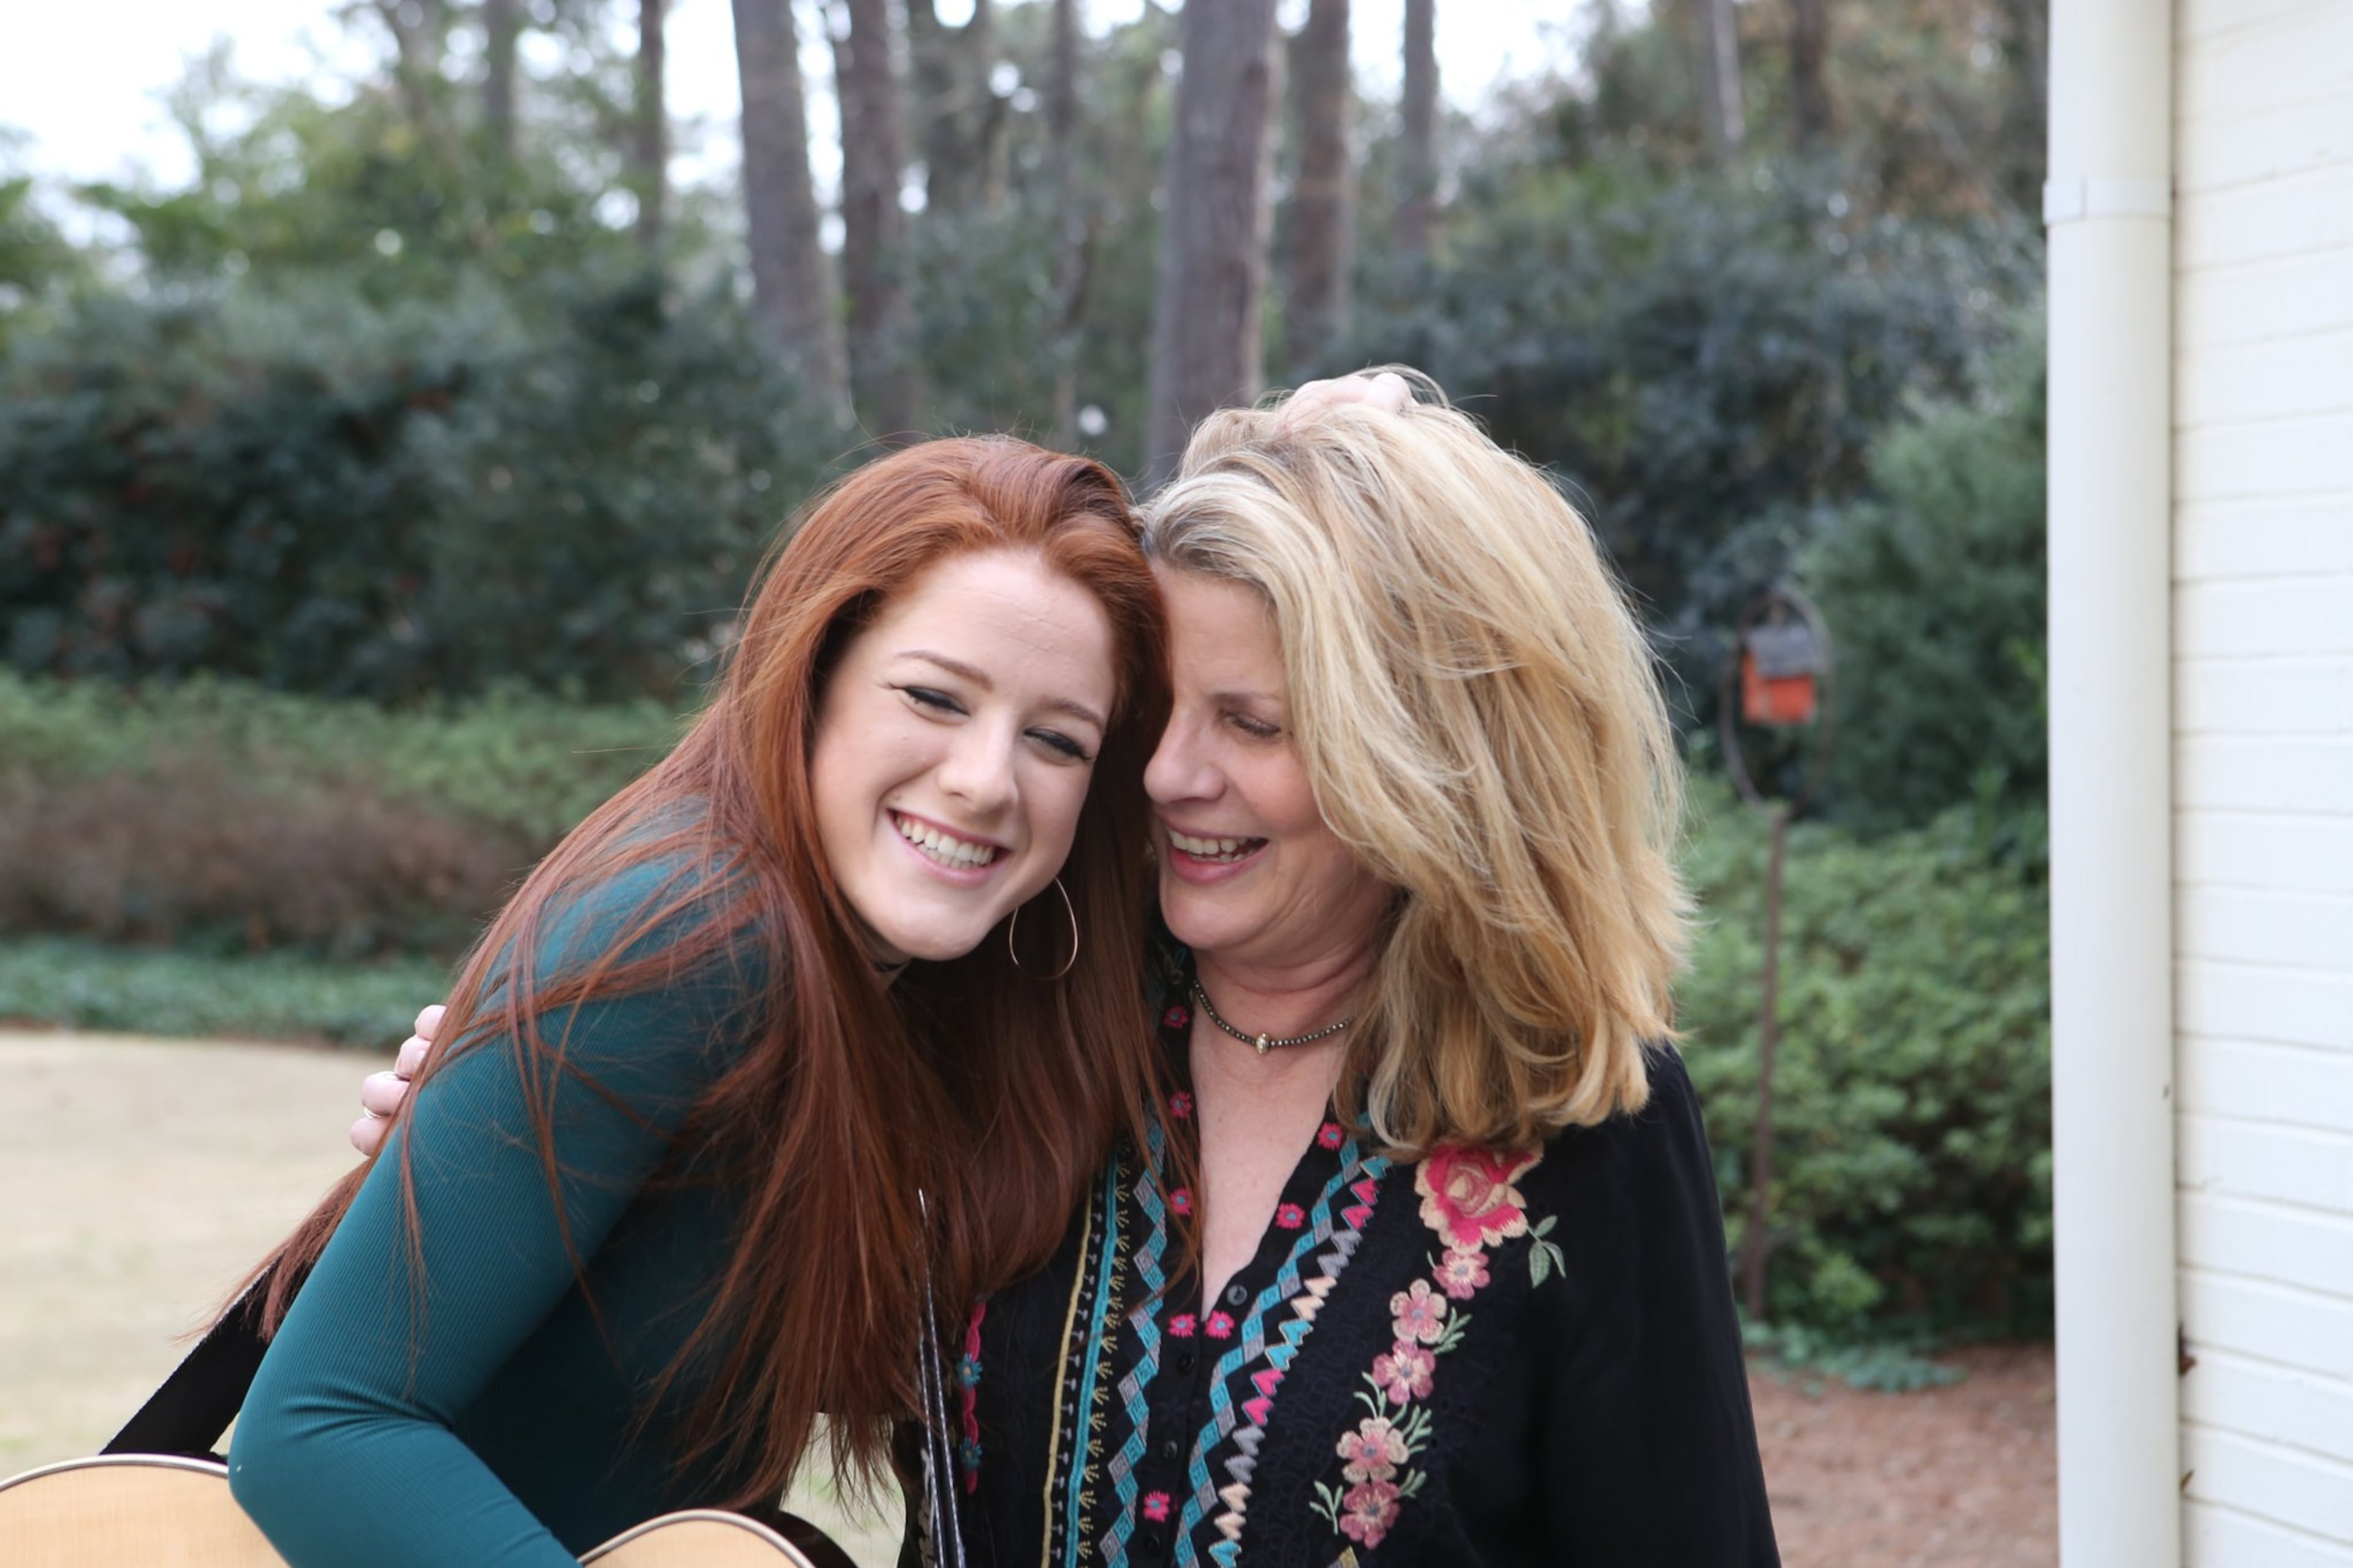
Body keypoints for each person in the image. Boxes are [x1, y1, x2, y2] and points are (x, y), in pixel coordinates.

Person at [362, 374, 1780, 1564]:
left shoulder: (1584, 1121)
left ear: (1433, 767)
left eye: (1255, 722)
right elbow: (649, 1330)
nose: (1168, 773)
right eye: (1160, 708)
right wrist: (512, 1125)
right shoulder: (1012, 1005)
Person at [224, 435, 1176, 1568]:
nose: (984, 779)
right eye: (933, 697)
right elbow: (319, 1434)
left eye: (1056, 741)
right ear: (812, 676)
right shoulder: (697, 939)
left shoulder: (893, 992)